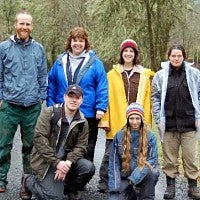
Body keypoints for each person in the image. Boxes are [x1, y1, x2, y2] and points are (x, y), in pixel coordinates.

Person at [97, 39, 155, 193]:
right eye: (125, 51)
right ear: (121, 54)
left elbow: (148, 100)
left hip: (136, 120)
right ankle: (104, 181)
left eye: (131, 51)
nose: (128, 54)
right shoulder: (112, 74)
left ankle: (133, 180)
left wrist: (146, 123)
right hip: (116, 119)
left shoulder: (143, 75)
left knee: (136, 151)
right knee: (110, 153)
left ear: (135, 54)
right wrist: (105, 120)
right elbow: (106, 97)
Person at [19, 84, 95, 200]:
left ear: (81, 101)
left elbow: (81, 146)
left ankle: (69, 189)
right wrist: (57, 162)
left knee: (88, 167)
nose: (73, 100)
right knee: (53, 197)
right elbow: (39, 139)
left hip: (65, 161)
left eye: (77, 98)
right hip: (46, 161)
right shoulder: (49, 113)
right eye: (71, 96)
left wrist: (68, 162)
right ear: (64, 97)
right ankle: (28, 180)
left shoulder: (82, 121)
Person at [0, 10, 47, 193]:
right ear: (15, 25)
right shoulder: (4, 47)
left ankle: (27, 182)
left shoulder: (39, 49)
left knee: (31, 147)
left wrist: (42, 97)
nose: (24, 27)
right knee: (3, 145)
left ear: (32, 26)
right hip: (9, 106)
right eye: (21, 23)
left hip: (32, 107)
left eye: (27, 24)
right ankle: (1, 180)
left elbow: (43, 75)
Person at [47, 27, 108, 163]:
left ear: (86, 43)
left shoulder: (95, 63)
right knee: (62, 145)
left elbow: (102, 86)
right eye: (75, 40)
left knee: (85, 147)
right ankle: (61, 178)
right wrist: (51, 107)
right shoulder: (59, 62)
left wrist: (100, 107)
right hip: (62, 112)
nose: (78, 44)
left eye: (81, 41)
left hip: (87, 113)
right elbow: (51, 85)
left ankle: (80, 180)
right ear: (70, 42)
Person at [151, 44, 200, 199]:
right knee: (169, 158)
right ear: (169, 57)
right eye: (173, 56)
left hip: (190, 124)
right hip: (169, 125)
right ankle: (170, 186)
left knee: (190, 157)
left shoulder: (194, 74)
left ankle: (193, 186)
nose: (176, 58)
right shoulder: (160, 76)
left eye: (179, 55)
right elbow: (155, 98)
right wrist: (158, 117)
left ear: (184, 56)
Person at [108, 103, 159, 200]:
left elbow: (153, 160)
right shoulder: (119, 136)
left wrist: (134, 178)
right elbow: (113, 163)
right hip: (124, 178)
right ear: (127, 119)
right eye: (131, 118)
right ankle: (130, 193)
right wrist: (114, 187)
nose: (134, 122)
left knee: (153, 173)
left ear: (141, 119)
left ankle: (142, 194)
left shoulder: (150, 136)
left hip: (141, 176)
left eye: (137, 118)